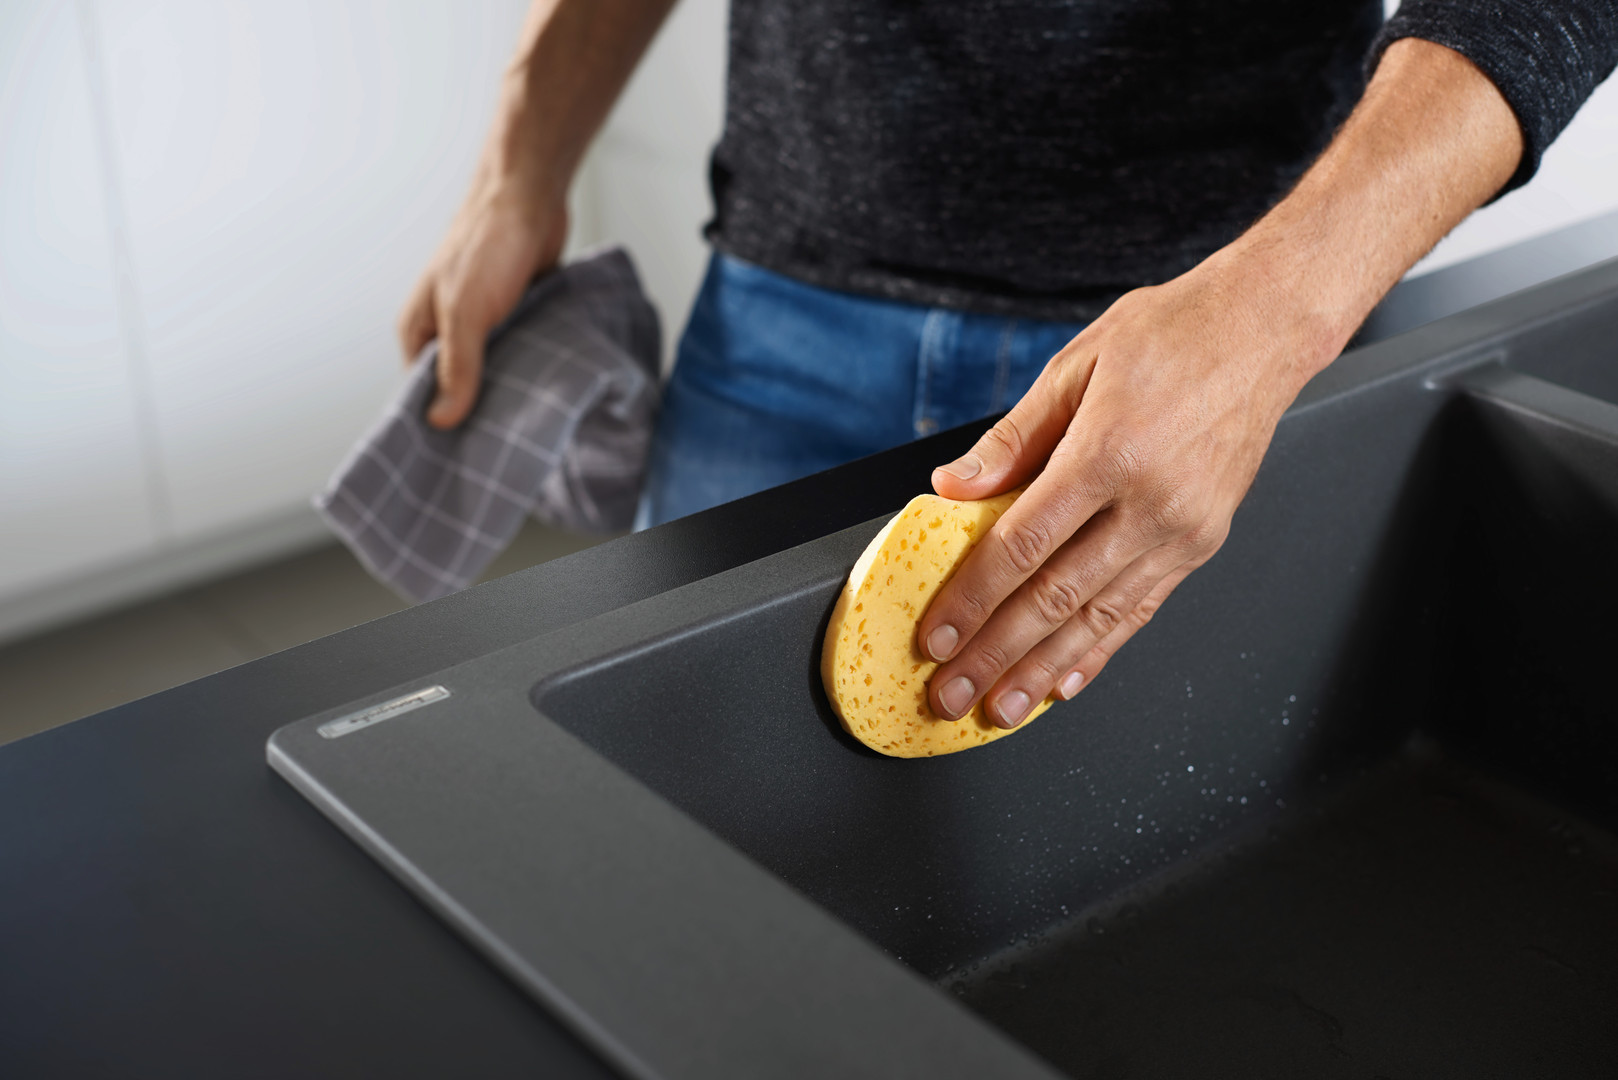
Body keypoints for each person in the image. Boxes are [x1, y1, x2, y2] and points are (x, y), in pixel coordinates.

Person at [399, 1, 1616, 732]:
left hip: (1191, 380)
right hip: (774, 328)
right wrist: (521, 164)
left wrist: (1273, 322)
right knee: (675, 829)